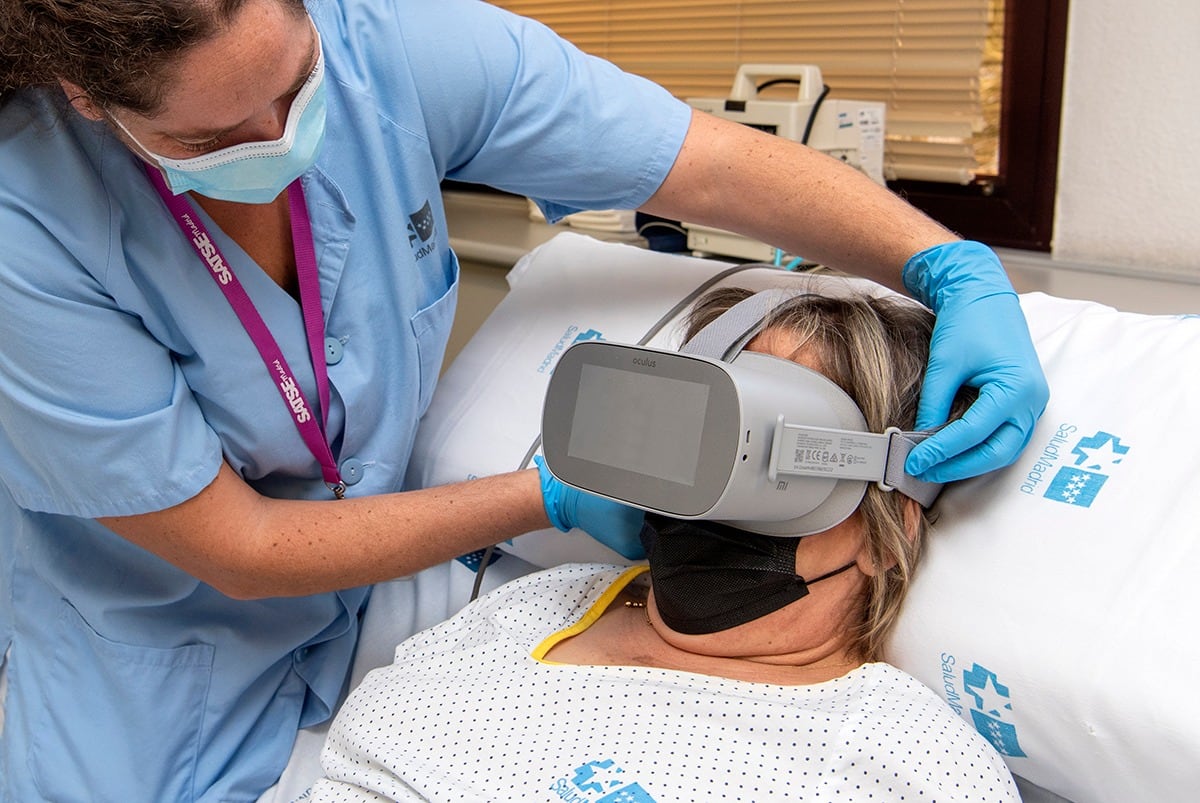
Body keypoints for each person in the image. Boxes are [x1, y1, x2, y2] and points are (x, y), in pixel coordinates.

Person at [0, 1, 1045, 800]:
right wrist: (540, 499)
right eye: (214, 135)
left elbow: (713, 166)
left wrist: (948, 262)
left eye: (296, 82)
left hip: (361, 602)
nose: (281, 136)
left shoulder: (899, 752)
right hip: (152, 648)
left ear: (895, 506)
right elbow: (239, 545)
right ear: (87, 99)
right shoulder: (508, 621)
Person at [306, 287, 1019, 802]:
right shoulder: (540, 602)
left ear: (890, 528)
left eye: (756, 452)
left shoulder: (909, 766)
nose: (705, 487)